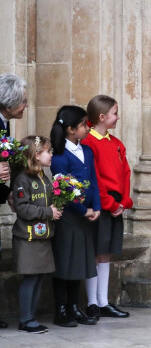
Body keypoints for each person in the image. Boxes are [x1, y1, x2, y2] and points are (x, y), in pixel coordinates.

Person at [50, 106, 101, 327]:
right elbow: (63, 190)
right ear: (71, 129)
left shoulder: (87, 151)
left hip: (85, 216)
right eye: (83, 125)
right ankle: (61, 309)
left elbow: (94, 181)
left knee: (78, 262)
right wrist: (84, 210)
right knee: (64, 263)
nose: (87, 128)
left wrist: (97, 207)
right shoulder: (59, 156)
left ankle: (74, 306)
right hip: (69, 217)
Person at [81, 95, 131, 319]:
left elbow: (126, 173)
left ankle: (103, 301)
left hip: (116, 204)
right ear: (102, 117)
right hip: (101, 204)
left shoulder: (117, 143)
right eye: (115, 113)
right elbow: (95, 179)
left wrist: (124, 201)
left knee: (106, 253)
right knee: (95, 252)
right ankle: (92, 302)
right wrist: (109, 204)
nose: (118, 117)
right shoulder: (89, 144)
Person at [11, 135, 62, 333]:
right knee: (30, 278)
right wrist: (47, 212)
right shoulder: (23, 179)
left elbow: (47, 202)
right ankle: (25, 319)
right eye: (47, 152)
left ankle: (31, 316)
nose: (51, 155)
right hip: (28, 238)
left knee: (40, 277)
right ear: (36, 155)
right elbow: (23, 208)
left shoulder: (43, 176)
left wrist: (57, 206)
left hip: (44, 237)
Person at [0, 72, 28, 329]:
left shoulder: (4, 123)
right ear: (9, 105)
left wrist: (7, 192)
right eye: (23, 101)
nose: (26, 106)